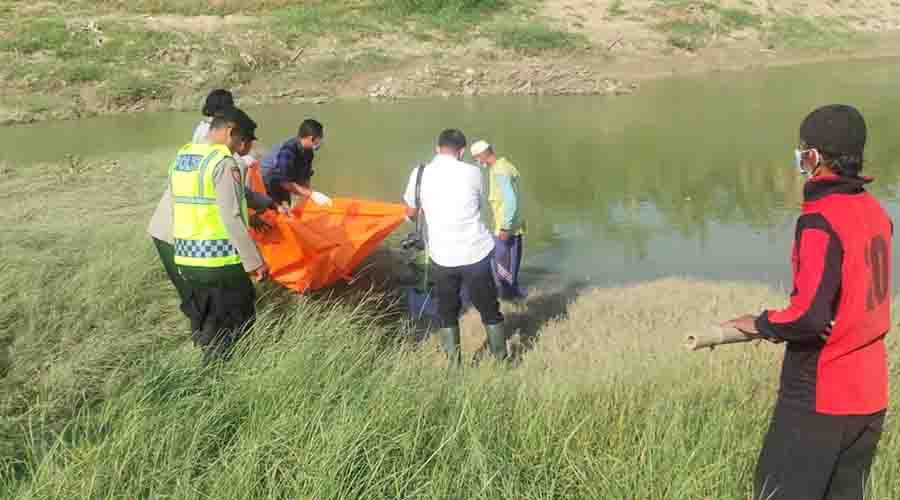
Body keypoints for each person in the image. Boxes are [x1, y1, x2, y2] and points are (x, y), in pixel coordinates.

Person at [722, 104, 891, 500]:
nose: (799, 157)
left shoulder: (821, 218)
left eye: (802, 149)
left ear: (813, 157)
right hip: (869, 396)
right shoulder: (875, 211)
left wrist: (758, 323)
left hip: (821, 395)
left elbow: (810, 316)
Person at [170, 107, 269, 365]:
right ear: (230, 132)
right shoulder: (223, 163)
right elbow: (232, 215)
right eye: (241, 141)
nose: (240, 148)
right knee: (238, 319)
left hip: (186, 258)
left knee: (208, 319)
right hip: (219, 262)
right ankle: (218, 379)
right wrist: (254, 262)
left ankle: (211, 362)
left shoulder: (184, 157)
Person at [403, 129, 508, 365]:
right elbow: (477, 205)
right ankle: (502, 361)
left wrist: (416, 213)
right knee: (489, 308)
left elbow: (411, 211)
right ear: (461, 152)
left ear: (437, 148)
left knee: (447, 311)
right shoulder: (473, 172)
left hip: (443, 256)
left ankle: (454, 365)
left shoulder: (419, 174)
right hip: (476, 252)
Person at [470, 140, 526, 300]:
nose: (477, 162)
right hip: (516, 227)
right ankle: (514, 295)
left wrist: (504, 227)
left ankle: (508, 298)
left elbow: (510, 200)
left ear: (482, 155)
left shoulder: (499, 171)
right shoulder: (506, 166)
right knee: (512, 266)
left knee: (502, 268)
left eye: (476, 158)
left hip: (506, 228)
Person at [260, 119, 332, 209]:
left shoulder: (309, 151)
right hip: (270, 176)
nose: (319, 143)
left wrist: (308, 196)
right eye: (318, 140)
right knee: (278, 209)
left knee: (288, 206)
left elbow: (305, 177)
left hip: (286, 176)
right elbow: (284, 182)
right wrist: (312, 194)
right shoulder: (287, 151)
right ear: (311, 138)